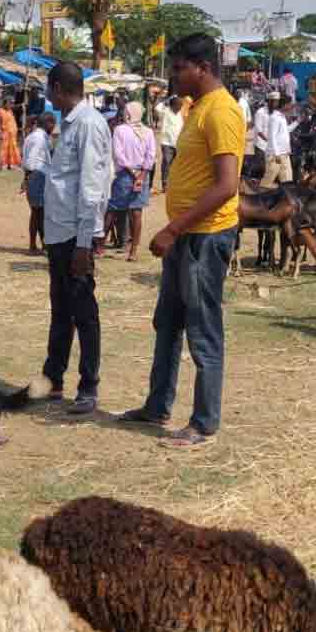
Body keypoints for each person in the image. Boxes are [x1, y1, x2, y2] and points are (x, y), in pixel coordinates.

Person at [119, 33, 243, 449]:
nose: (173, 76)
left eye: (178, 68)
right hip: (185, 238)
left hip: (204, 239)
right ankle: (157, 405)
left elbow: (227, 186)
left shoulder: (222, 112)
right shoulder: (196, 108)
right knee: (167, 323)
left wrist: (173, 229)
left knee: (203, 330)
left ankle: (204, 422)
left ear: (202, 68)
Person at [35, 61, 110, 415]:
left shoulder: (89, 125)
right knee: (61, 309)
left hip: (74, 236)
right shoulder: (69, 124)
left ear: (58, 89)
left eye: (48, 90)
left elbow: (92, 188)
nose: (47, 97)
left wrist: (84, 243)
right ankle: (53, 376)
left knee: (84, 312)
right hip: (58, 232)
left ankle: (89, 385)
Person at [108, 100, 155, 262]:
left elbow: (118, 155)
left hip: (124, 174)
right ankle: (133, 250)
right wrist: (141, 175)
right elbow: (151, 157)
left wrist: (133, 173)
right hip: (142, 174)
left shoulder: (119, 130)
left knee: (113, 208)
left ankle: (99, 246)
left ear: (128, 114)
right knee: (137, 213)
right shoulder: (148, 132)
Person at [22, 111, 55, 254]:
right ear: (48, 123)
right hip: (38, 176)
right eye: (53, 124)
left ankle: (42, 244)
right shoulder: (39, 138)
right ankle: (35, 245)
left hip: (35, 176)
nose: (54, 127)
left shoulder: (35, 136)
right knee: (38, 212)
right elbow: (31, 160)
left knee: (39, 212)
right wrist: (29, 177)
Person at [260, 92, 293, 189]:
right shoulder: (274, 117)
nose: (291, 106)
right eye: (289, 104)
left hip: (285, 154)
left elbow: (287, 130)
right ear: (285, 105)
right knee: (267, 182)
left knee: (287, 182)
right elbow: (272, 137)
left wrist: (298, 122)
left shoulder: (282, 117)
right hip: (275, 155)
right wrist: (277, 154)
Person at [156, 96, 183, 194]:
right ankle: (165, 184)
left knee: (175, 164)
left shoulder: (180, 114)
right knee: (167, 163)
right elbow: (157, 107)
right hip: (167, 143)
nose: (180, 107)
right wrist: (166, 100)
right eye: (178, 105)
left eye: (181, 105)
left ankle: (174, 183)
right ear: (172, 105)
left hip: (178, 143)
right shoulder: (166, 112)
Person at [0, 97, 22, 170]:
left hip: (12, 133)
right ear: (5, 103)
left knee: (13, 148)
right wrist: (0, 132)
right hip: (5, 132)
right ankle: (1, 165)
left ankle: (10, 164)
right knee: (4, 149)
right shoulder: (0, 111)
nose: (11, 104)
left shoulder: (10, 111)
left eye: (12, 103)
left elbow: (12, 121)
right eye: (9, 103)